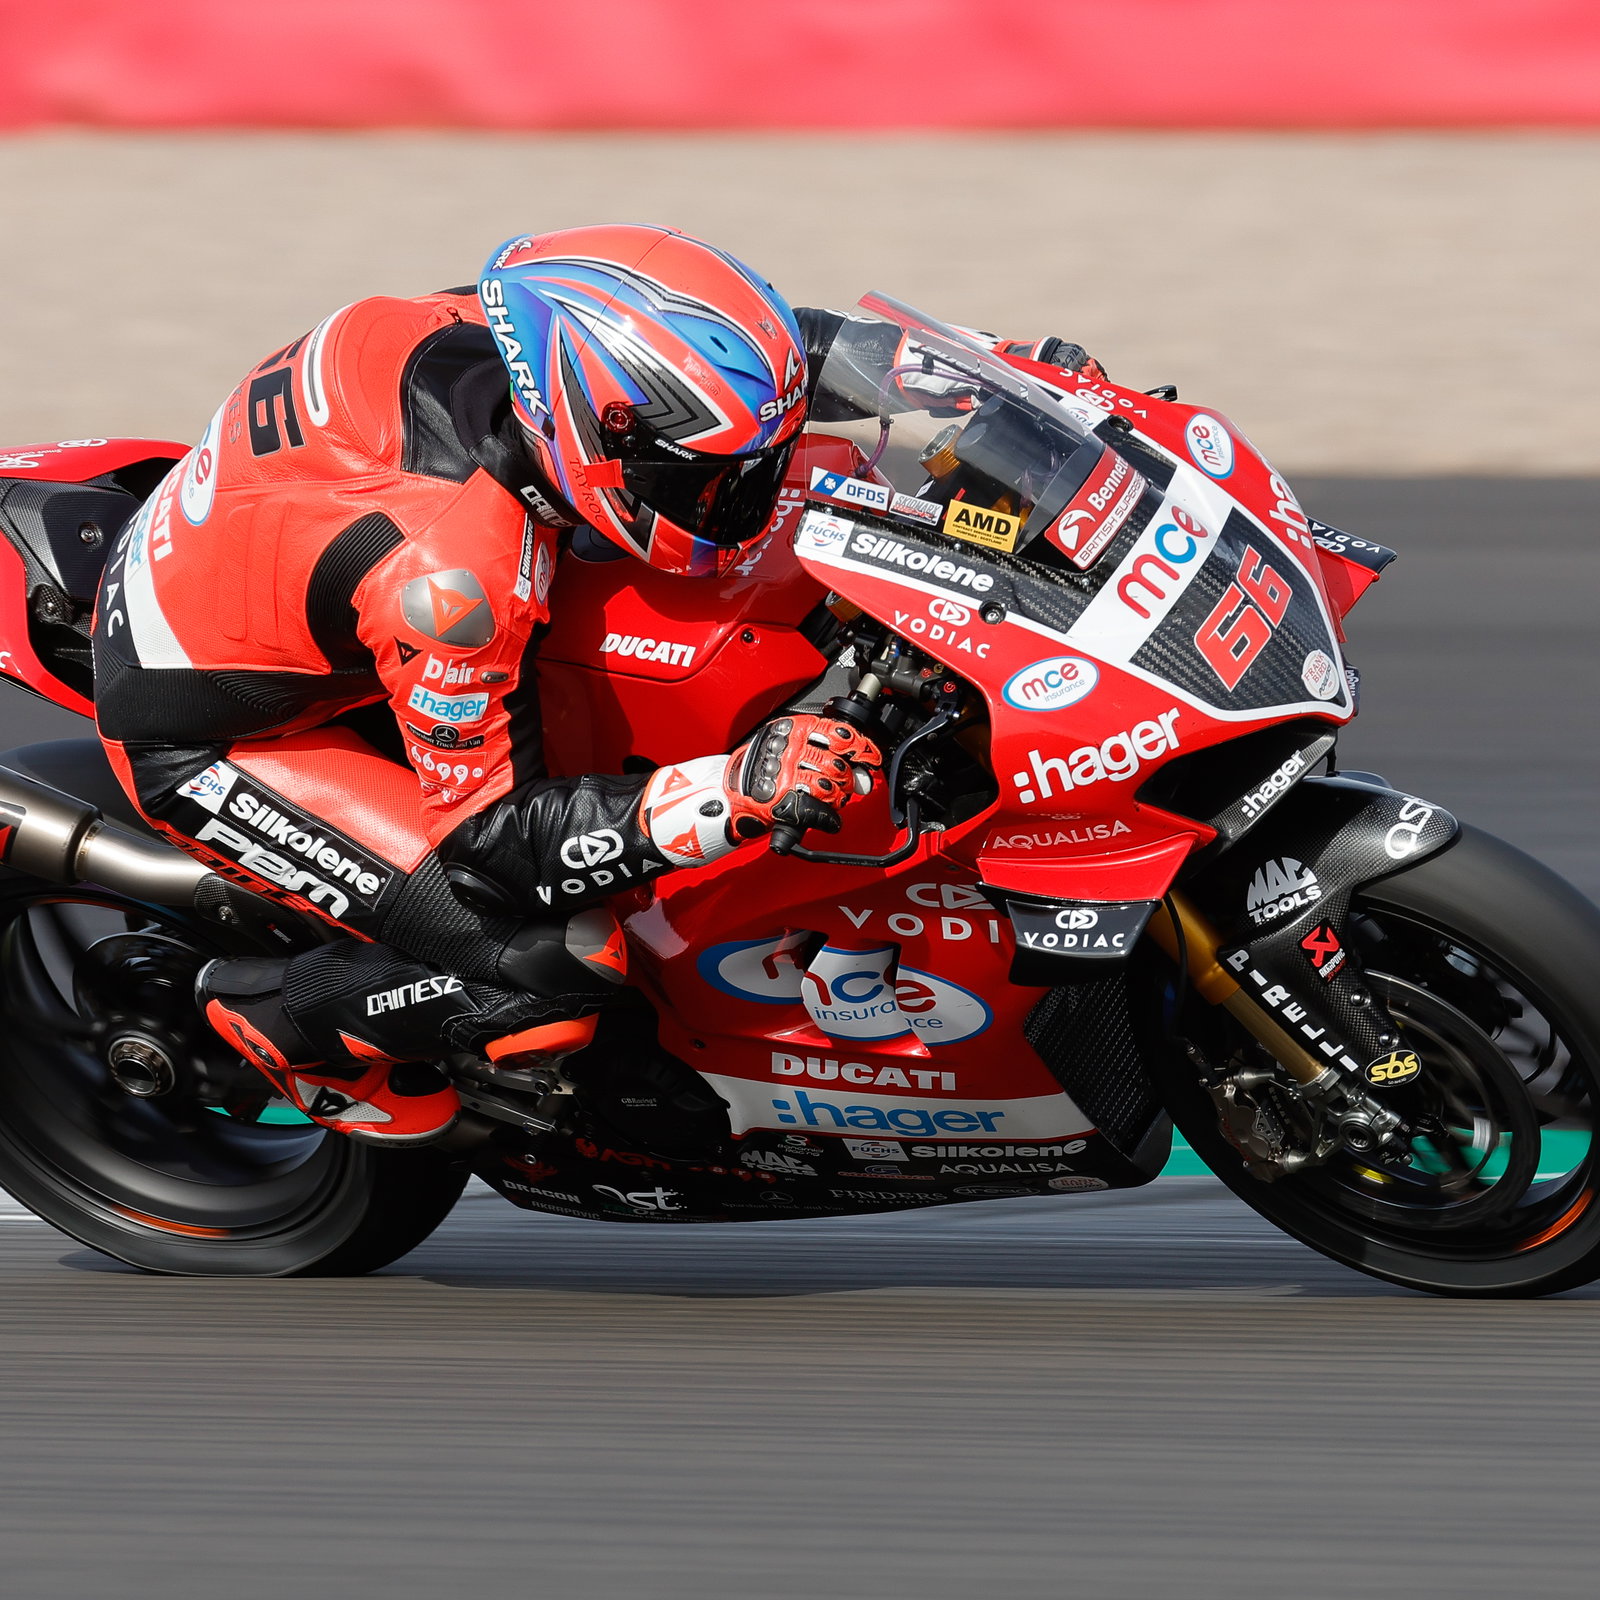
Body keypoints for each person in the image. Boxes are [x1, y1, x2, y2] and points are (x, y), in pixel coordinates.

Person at [92, 224, 1100, 1145]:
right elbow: (494, 844)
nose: (742, 501)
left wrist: (1004, 388)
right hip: (227, 731)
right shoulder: (452, 583)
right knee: (559, 962)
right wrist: (738, 788)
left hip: (280, 553)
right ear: (597, 435)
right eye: (710, 483)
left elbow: (787, 352)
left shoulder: (546, 337)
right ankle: (277, 1017)